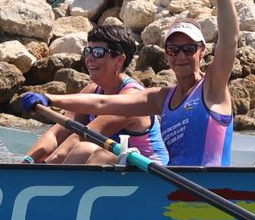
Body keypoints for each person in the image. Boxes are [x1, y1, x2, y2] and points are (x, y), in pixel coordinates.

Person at [22, 0, 237, 166]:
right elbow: (102, 103)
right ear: (166, 54)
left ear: (202, 51)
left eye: (189, 49)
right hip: (171, 188)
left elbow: (229, 41)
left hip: (208, 186)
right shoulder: (161, 98)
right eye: (173, 49)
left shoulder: (212, 88)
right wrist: (48, 98)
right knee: (94, 155)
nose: (181, 55)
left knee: (92, 152)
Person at [19, 17, 168, 165]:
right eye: (88, 51)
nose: (89, 58)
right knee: (82, 151)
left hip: (149, 174)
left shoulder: (132, 97)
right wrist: (27, 162)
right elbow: (56, 134)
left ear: (120, 60)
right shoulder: (92, 90)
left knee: (84, 149)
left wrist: (43, 170)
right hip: (116, 169)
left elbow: (80, 138)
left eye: (98, 52)